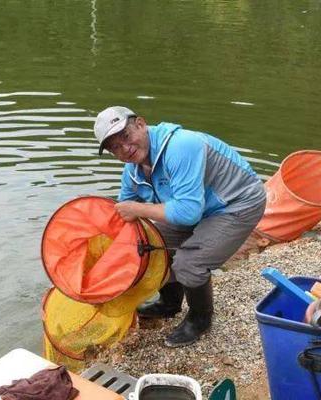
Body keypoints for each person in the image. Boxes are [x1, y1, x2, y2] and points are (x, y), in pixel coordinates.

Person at [93, 106, 266, 347]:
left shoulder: (181, 146)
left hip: (236, 203)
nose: (125, 148)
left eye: (125, 136)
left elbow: (187, 212)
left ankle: (200, 319)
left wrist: (138, 210)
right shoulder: (132, 171)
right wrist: (102, 252)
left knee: (189, 262)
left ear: (141, 124)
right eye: (115, 147)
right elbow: (123, 216)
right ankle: (170, 304)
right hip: (200, 207)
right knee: (150, 246)